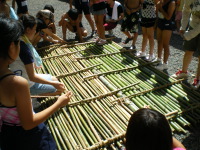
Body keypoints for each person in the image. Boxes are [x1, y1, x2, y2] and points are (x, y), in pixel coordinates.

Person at [0, 15, 72, 150]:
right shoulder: (17, 84)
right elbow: (28, 123)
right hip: (27, 138)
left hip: (6, 136)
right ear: (11, 46)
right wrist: (59, 103)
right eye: (17, 42)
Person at [9, 14, 66, 96]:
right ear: (28, 30)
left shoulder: (19, 39)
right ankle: (29, 94)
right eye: (35, 29)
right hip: (27, 84)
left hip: (21, 77)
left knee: (54, 79)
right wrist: (54, 84)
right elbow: (32, 77)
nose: (35, 31)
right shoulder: (24, 48)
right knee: (59, 89)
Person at [172, 0, 200, 89]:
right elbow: (186, 10)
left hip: (196, 29)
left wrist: (189, 35)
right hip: (193, 25)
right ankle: (184, 72)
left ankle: (198, 79)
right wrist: (183, 27)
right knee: (188, 50)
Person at [154, 0, 176, 71]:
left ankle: (165, 63)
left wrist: (161, 8)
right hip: (160, 22)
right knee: (159, 41)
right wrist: (155, 24)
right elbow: (157, 14)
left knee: (165, 44)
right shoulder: (160, 2)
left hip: (167, 24)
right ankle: (159, 59)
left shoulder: (172, 3)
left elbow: (168, 17)